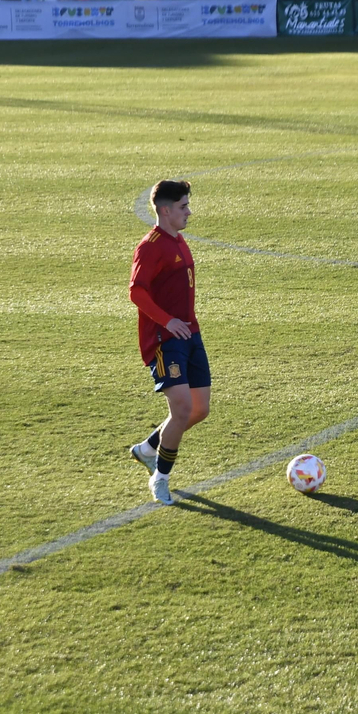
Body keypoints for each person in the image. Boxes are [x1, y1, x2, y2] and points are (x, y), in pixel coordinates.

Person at [128, 180, 209, 506]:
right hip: (164, 339)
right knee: (182, 409)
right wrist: (167, 321)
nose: (188, 211)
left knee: (200, 409)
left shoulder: (179, 241)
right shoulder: (150, 247)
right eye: (183, 206)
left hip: (190, 334)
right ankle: (160, 477)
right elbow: (136, 291)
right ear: (165, 210)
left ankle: (147, 448)